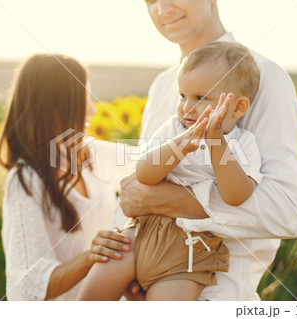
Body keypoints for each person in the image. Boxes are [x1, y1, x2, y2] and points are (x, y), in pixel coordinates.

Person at [117, 0, 297, 300]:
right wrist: (127, 253)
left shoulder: (265, 76)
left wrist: (168, 201)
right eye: (150, 0)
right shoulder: (162, 85)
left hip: (218, 294)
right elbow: (138, 193)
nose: (162, 9)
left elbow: (288, 211)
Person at [78, 41, 263, 301]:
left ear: (238, 107)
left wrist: (216, 143)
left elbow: (236, 197)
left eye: (200, 98)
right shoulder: (174, 130)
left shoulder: (244, 144)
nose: (186, 107)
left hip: (188, 253)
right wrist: (180, 146)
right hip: (139, 233)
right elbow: (143, 174)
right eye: (182, 96)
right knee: (91, 297)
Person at [0, 53, 134, 300]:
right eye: (82, 100)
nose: (92, 110)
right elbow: (28, 287)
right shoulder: (26, 181)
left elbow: (146, 159)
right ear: (53, 107)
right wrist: (92, 256)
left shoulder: (89, 154)